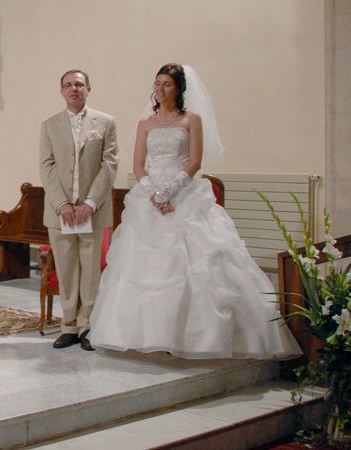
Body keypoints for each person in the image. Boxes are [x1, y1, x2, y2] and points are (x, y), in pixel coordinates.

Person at [88, 63, 301, 360]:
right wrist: (154, 193)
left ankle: (192, 337)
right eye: (157, 83)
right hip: (150, 197)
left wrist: (170, 191)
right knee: (142, 266)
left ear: (179, 88)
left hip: (184, 193)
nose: (160, 89)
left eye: (167, 84)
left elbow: (195, 161)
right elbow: (138, 164)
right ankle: (148, 335)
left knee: (196, 264)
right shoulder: (145, 122)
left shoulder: (191, 119)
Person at [40, 70, 118, 351]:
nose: (73, 89)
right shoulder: (49, 125)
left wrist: (90, 203)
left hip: (92, 211)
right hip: (61, 212)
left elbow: (110, 165)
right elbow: (47, 166)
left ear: (88, 89)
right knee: (67, 271)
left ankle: (88, 326)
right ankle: (69, 327)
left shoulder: (105, 122)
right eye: (68, 85)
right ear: (62, 91)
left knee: (91, 271)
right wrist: (62, 204)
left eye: (79, 85)